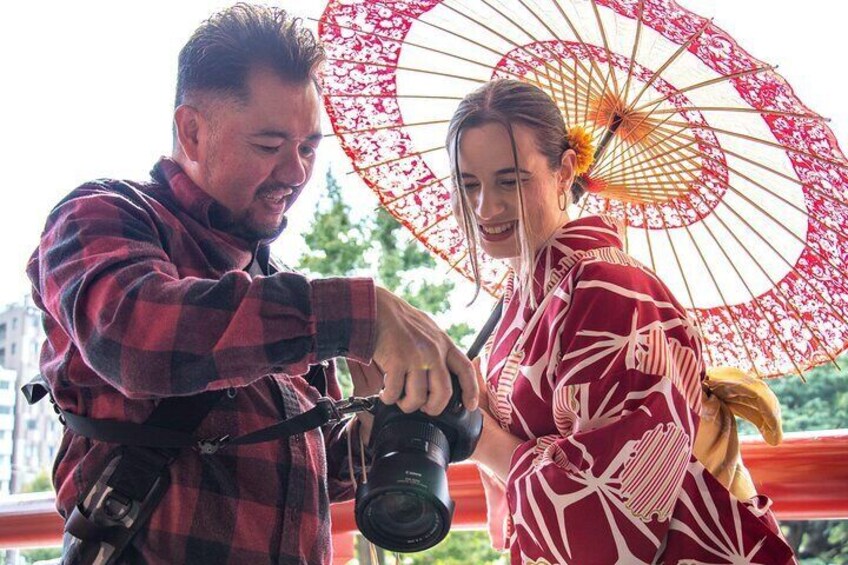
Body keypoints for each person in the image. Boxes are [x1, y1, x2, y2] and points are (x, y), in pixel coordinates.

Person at [26, 4, 476, 563]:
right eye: (270, 146)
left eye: (309, 148)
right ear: (192, 130)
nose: (296, 174)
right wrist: (363, 313)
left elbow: (323, 473)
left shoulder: (282, 289)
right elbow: (138, 339)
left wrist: (384, 421)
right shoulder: (101, 215)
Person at [447, 79, 795, 564]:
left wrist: (481, 438)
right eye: (469, 184)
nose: (486, 208)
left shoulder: (610, 290)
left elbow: (610, 511)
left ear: (565, 169)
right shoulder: (523, 290)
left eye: (511, 181)